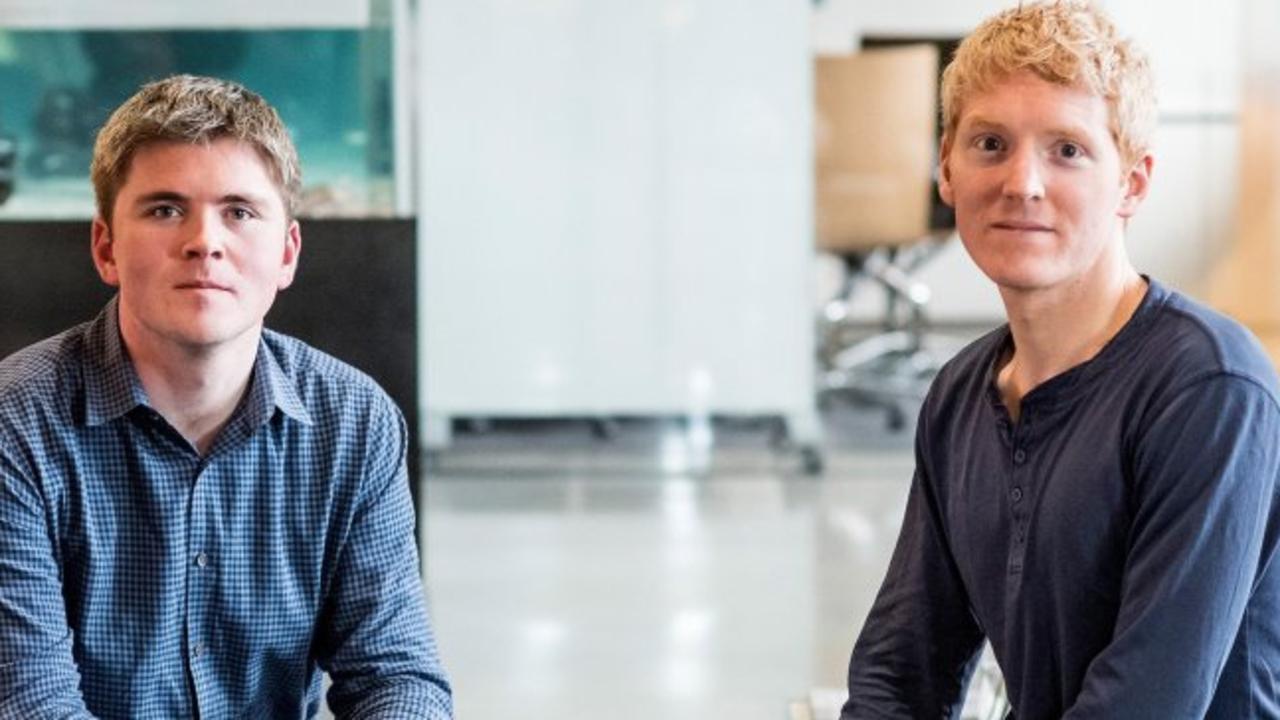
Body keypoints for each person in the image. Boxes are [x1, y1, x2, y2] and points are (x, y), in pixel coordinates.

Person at [842, 2, 1280, 718]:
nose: (1022, 183)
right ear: (946, 169)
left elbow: (1146, 706)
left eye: (1067, 150)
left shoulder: (1208, 388)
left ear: (1132, 183)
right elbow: (900, 669)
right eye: (990, 144)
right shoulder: (960, 396)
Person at [0, 75, 452, 718]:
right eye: (164, 209)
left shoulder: (352, 420)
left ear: (287, 253)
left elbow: (396, 676)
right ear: (106, 247)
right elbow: (31, 704)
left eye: (239, 211)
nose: (203, 241)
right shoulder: (17, 424)